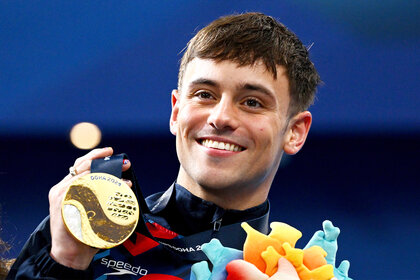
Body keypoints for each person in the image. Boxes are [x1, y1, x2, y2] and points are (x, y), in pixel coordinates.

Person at [7, 12, 322, 279]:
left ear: (295, 131)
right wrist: (65, 261)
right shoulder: (86, 223)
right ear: (176, 111)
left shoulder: (293, 272)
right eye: (204, 94)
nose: (221, 117)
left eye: (252, 102)